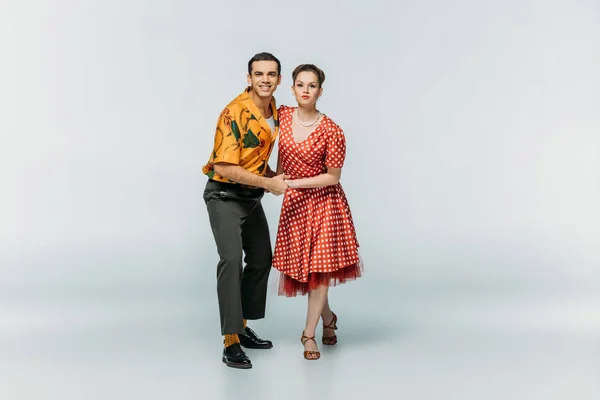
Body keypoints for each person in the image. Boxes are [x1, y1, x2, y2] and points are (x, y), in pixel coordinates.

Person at [202, 52, 289, 369]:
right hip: (224, 193)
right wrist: (270, 184)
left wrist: (275, 177)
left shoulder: (277, 109)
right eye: (259, 74)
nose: (265, 79)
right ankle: (230, 341)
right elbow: (225, 165)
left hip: (251, 195)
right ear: (248, 78)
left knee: (263, 257)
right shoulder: (234, 112)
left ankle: (242, 324)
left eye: (271, 74)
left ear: (279, 79)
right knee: (230, 258)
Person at [272, 64, 362, 360]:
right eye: (300, 84)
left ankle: (307, 335)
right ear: (293, 88)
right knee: (308, 270)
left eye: (312, 86)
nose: (306, 90)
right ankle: (329, 319)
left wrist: (294, 182)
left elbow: (333, 177)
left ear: (320, 91)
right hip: (295, 206)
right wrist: (269, 178)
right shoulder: (283, 115)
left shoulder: (332, 131)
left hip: (325, 204)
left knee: (320, 271)